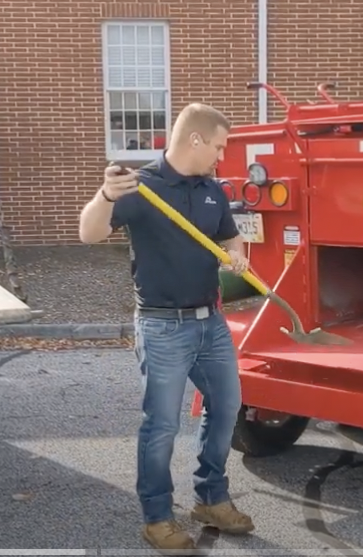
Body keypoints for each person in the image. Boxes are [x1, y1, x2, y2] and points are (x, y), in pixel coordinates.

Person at [77, 102, 254, 552]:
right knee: (161, 426)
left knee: (227, 406)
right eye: (218, 146)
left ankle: (210, 497)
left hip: (210, 322)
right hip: (162, 327)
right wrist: (106, 197)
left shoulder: (211, 190)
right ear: (195, 139)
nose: (221, 156)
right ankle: (157, 517)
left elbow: (229, 234)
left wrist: (238, 251)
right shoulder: (140, 188)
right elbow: (88, 233)